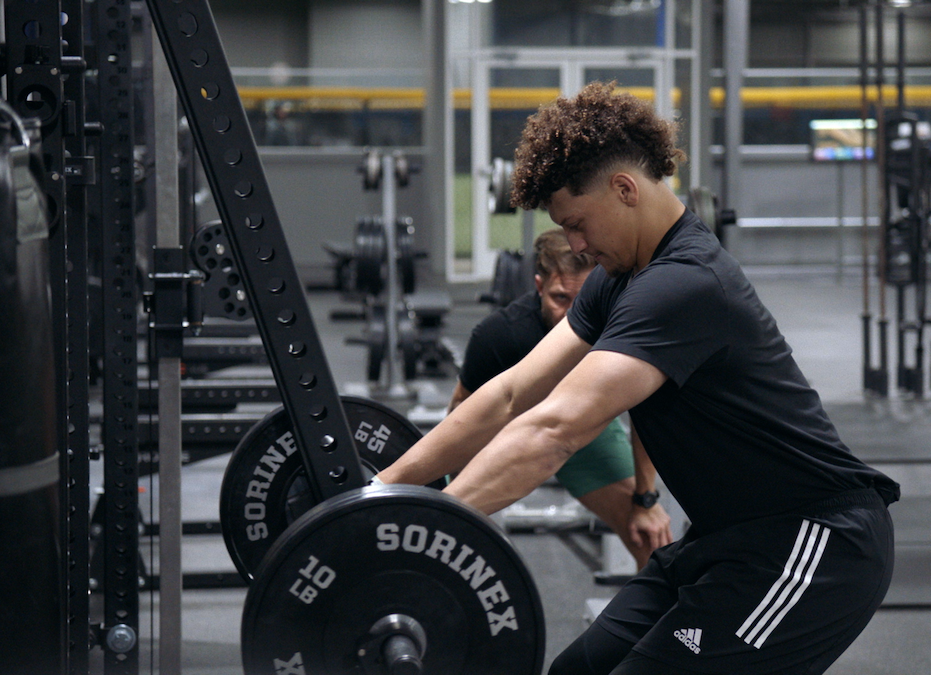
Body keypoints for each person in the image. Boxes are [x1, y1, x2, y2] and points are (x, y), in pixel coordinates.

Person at [376, 82, 899, 675]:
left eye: (577, 224)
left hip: (810, 544)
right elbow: (515, 392)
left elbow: (554, 429)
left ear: (624, 190)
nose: (573, 245)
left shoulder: (685, 285)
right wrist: (381, 494)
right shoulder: (615, 279)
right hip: (721, 539)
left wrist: (416, 531)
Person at [450, 228, 673, 571]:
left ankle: (658, 623)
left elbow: (646, 413)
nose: (571, 314)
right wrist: (454, 502)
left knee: (654, 541)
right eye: (559, 298)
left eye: (583, 299)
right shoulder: (500, 335)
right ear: (539, 286)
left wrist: (646, 499)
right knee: (450, 533)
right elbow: (460, 414)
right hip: (511, 434)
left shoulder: (620, 330)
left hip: (587, 431)